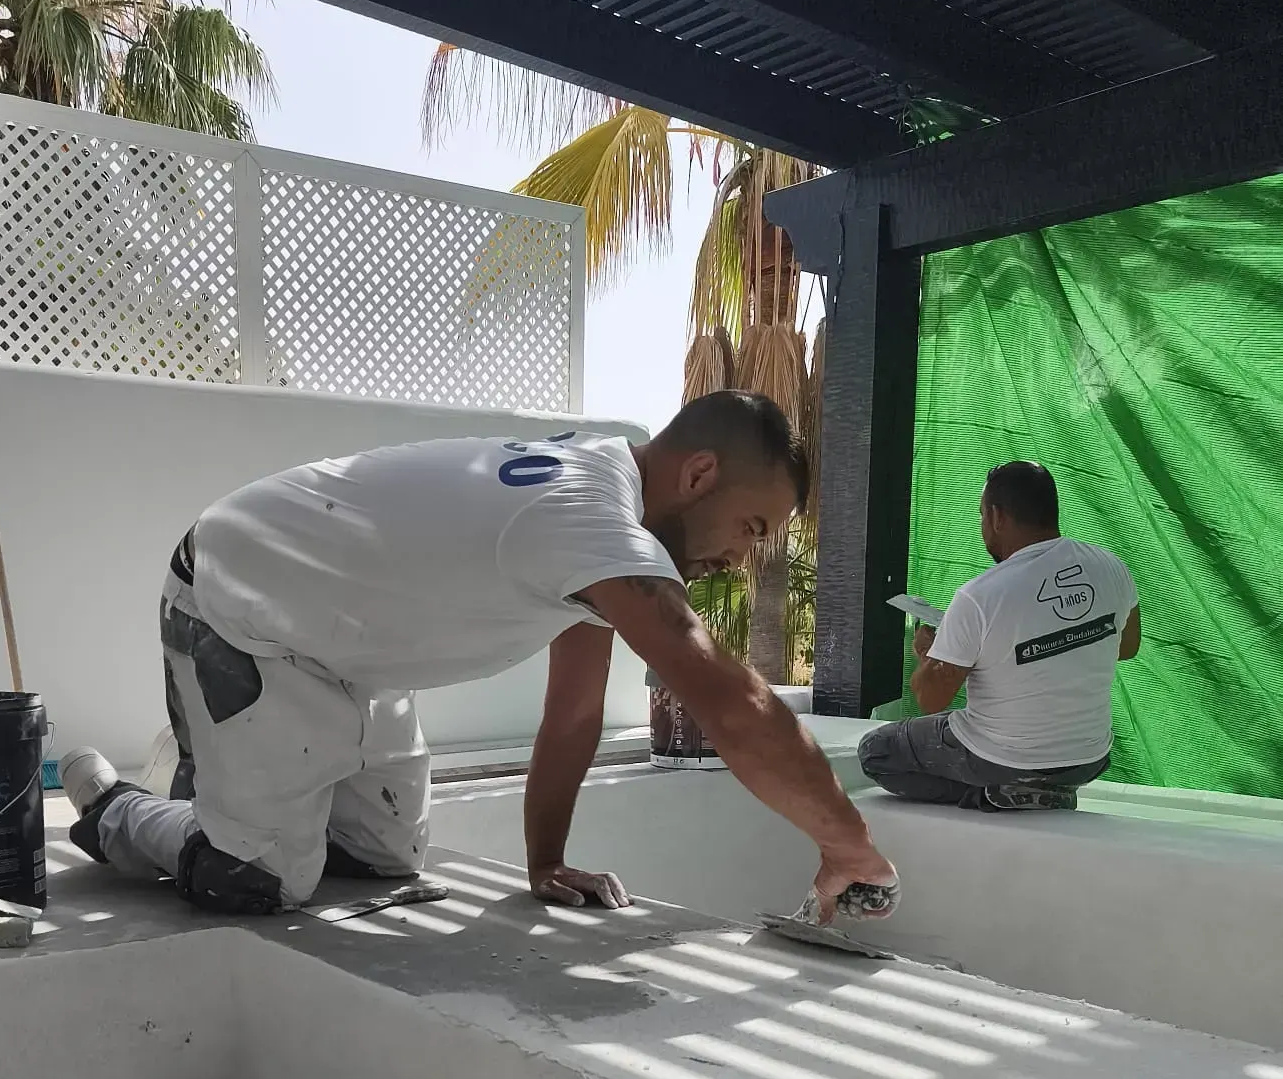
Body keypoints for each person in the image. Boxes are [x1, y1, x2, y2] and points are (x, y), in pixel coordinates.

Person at [60, 391, 897, 922]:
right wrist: (851, 847)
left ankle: (233, 787)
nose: (743, 558)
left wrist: (545, 862)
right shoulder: (589, 516)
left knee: (381, 860)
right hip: (234, 602)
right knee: (258, 881)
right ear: (701, 472)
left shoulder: (603, 520)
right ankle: (117, 812)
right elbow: (732, 704)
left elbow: (571, 716)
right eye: (752, 528)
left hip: (344, 650)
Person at [859, 461, 1141, 811]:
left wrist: (931, 654)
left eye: (981, 516)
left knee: (877, 751)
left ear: (995, 516)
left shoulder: (980, 596)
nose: (982, 527)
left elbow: (931, 699)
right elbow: (1127, 646)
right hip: (1088, 759)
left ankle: (999, 793)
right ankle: (1043, 789)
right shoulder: (1110, 566)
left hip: (1002, 759)